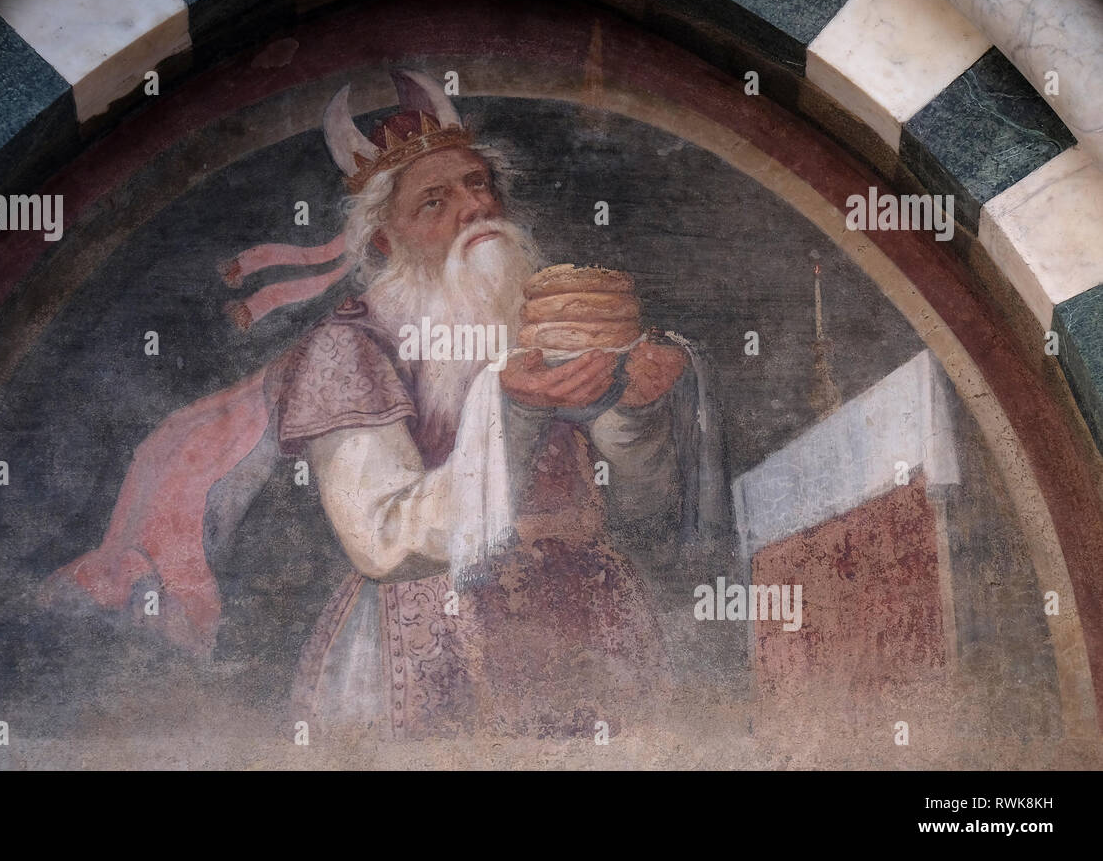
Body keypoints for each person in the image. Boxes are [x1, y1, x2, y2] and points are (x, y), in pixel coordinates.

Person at [42, 70, 733, 739]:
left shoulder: (550, 317)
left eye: (478, 184)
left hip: (592, 629)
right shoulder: (348, 348)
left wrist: (641, 405)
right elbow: (379, 539)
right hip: (431, 642)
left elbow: (645, 506)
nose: (475, 208)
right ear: (383, 238)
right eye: (435, 201)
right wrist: (514, 414)